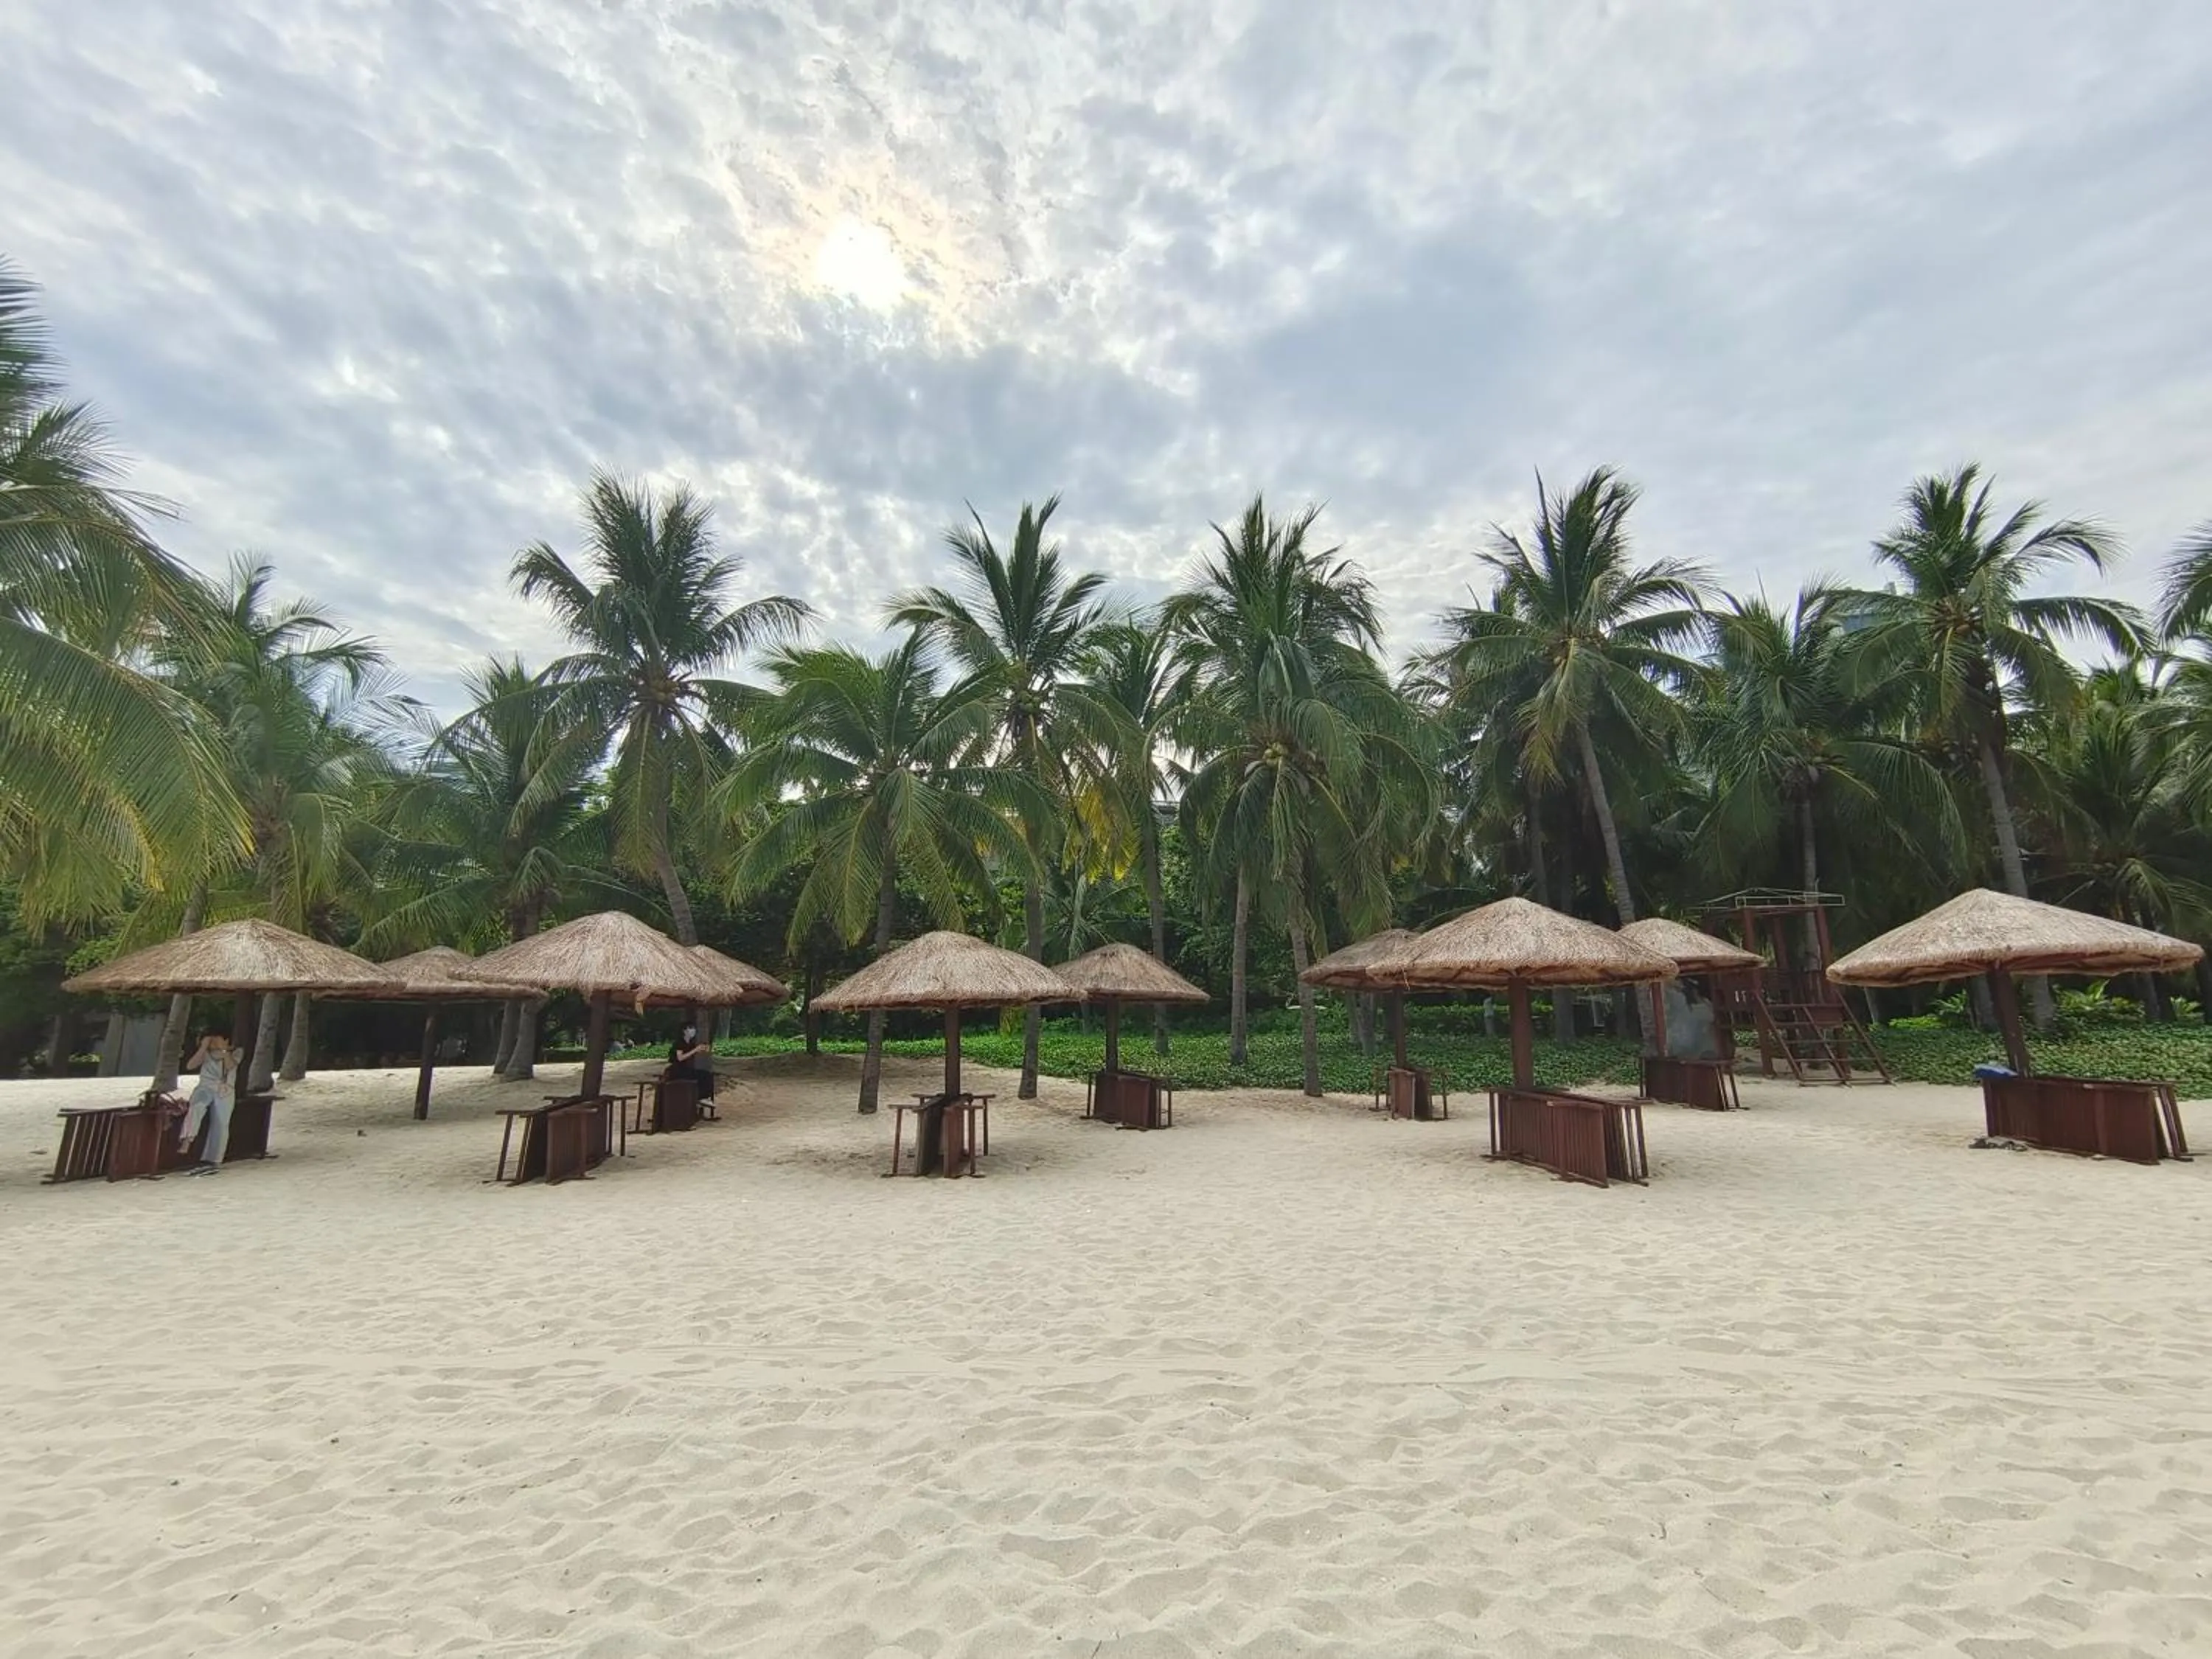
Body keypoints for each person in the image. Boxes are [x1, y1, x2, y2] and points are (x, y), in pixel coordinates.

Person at [178, 1030, 239, 1175]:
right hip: (205, 1087)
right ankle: (187, 1140)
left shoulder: (236, 1052)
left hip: (225, 1090)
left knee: (221, 1123)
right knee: (196, 1107)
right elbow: (190, 1065)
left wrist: (223, 1049)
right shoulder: (206, 1053)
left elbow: (231, 1066)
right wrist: (203, 1047)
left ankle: (214, 1158)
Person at [669, 1023, 715, 1100]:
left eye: (693, 1028)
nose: (693, 1030)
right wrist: (695, 1050)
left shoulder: (690, 1043)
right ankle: (698, 1098)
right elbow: (680, 1058)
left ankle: (703, 1097)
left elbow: (697, 1051)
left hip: (685, 1069)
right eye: (690, 1028)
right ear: (684, 1031)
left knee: (707, 1075)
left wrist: (704, 1048)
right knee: (703, 1076)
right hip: (677, 1071)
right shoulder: (679, 1042)